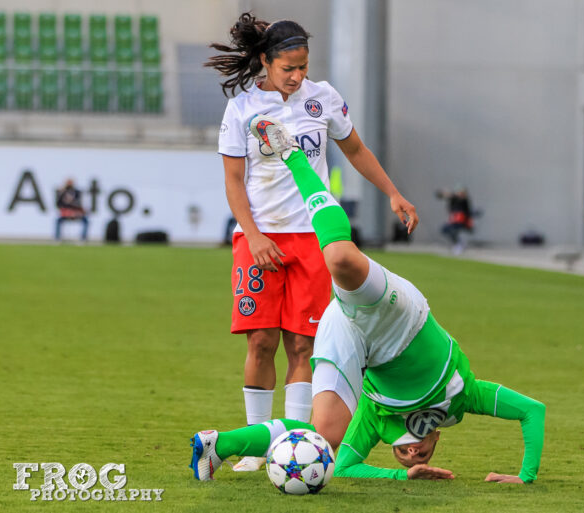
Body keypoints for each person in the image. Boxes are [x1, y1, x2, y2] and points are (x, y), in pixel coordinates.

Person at [189, 117, 545, 484]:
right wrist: (525, 477)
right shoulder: (464, 396)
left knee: (321, 440)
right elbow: (533, 411)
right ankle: (293, 155)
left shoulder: (375, 418)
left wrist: (403, 477)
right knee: (341, 259)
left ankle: (219, 445)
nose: (412, 452)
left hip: (351, 335)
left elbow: (344, 466)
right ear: (437, 437)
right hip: (400, 317)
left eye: (404, 453)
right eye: (415, 452)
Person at [205, 13, 418, 471]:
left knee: (302, 345)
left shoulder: (323, 100)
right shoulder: (242, 107)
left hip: (313, 239)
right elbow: (233, 180)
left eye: (303, 67)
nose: (297, 76)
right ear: (265, 61)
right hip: (258, 238)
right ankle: (255, 447)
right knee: (260, 341)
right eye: (288, 68)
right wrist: (255, 234)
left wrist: (393, 193)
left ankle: (297, 446)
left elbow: (356, 150)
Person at [436, 186, 474, 254]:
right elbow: (447, 196)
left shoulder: (464, 200)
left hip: (462, 221)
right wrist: (444, 194)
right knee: (445, 229)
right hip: (454, 221)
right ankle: (459, 243)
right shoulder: (454, 199)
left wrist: (469, 222)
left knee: (453, 231)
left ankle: (459, 245)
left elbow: (467, 211)